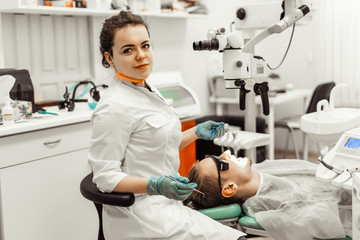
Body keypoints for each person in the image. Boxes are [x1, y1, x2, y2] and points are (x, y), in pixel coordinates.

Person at [88, 10, 246, 240]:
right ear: (110, 58)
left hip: (168, 208)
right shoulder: (114, 107)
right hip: (141, 219)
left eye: (145, 45)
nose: (141, 55)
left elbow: (155, 147)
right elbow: (104, 178)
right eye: (128, 50)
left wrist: (196, 133)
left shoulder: (146, 89)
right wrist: (154, 185)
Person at [187, 151, 353, 240]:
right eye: (221, 162)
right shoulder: (272, 206)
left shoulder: (263, 169)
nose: (227, 152)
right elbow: (328, 220)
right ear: (230, 188)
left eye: (216, 155)